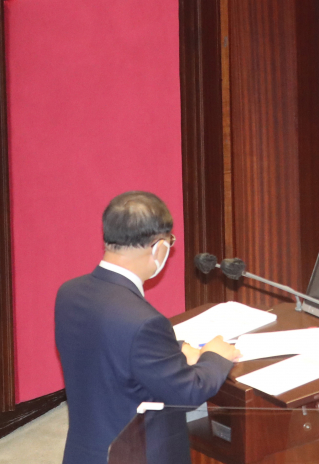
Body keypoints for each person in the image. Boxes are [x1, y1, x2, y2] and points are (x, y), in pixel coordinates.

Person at [56, 191, 239, 464]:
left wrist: (175, 350)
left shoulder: (69, 292)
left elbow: (112, 349)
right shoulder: (145, 322)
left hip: (84, 452)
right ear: (158, 248)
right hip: (133, 454)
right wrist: (215, 356)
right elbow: (189, 392)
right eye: (170, 241)